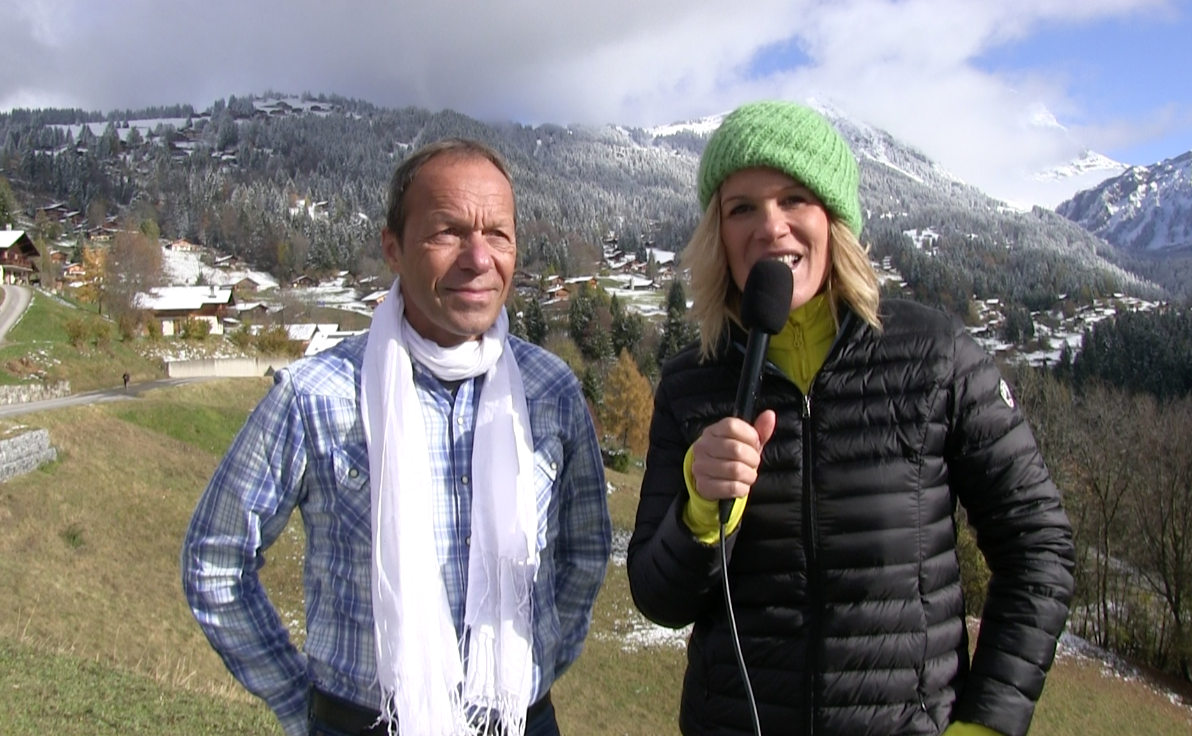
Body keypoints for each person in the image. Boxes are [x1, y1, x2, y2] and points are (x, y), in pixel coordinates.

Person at [627, 101, 1075, 736]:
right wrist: (699, 510)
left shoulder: (935, 355)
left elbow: (1039, 546)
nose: (771, 227)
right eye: (742, 208)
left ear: (835, 219)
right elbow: (657, 597)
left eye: (795, 199)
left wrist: (988, 723)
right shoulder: (690, 384)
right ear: (717, 233)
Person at [182, 138, 611, 736]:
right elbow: (216, 558)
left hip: (520, 721)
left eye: (499, 235)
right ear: (393, 247)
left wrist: (529, 674)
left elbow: (584, 554)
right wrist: (301, 704)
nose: (478, 258)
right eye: (448, 232)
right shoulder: (317, 395)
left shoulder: (550, 391)